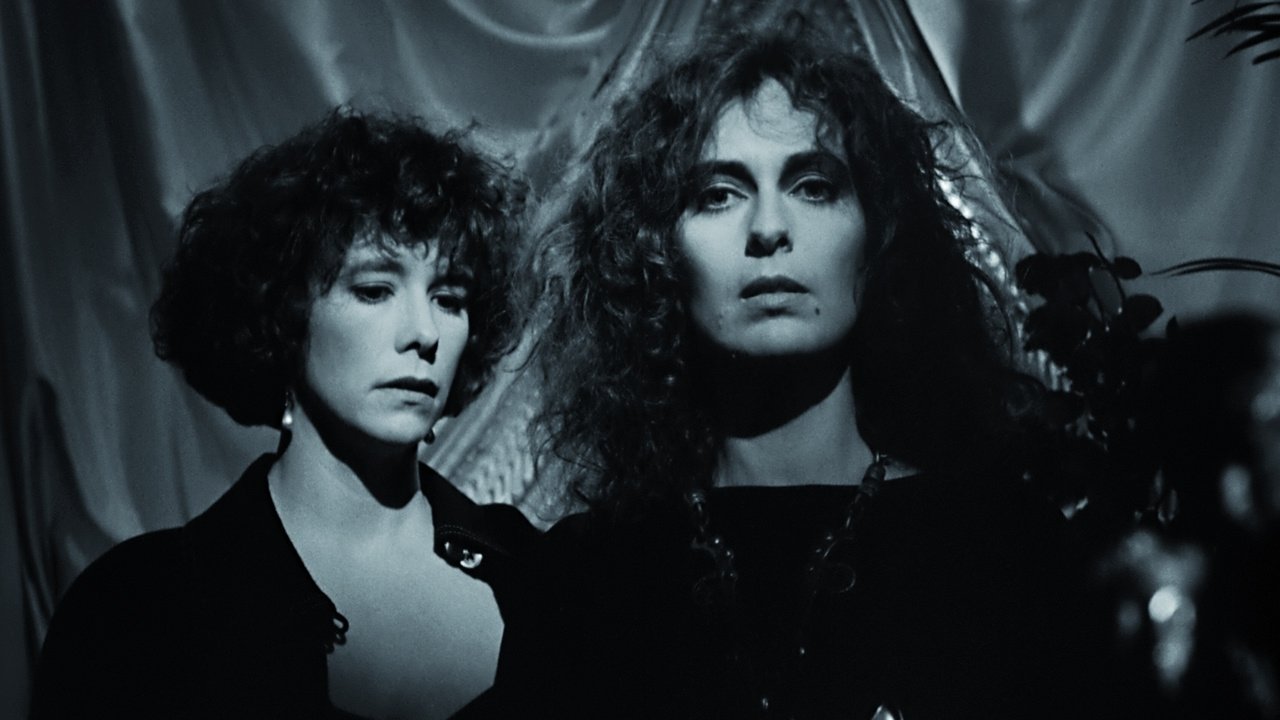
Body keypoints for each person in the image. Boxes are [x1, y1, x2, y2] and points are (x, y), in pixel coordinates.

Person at [474, 29, 1089, 719]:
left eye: (814, 187)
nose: (769, 228)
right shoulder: (584, 580)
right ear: (656, 250)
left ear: (879, 232)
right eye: (718, 194)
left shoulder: (1007, 550)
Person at [32, 109, 534, 719]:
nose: (424, 333)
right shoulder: (138, 609)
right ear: (283, 316)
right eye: (374, 290)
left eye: (449, 299)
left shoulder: (537, 576)